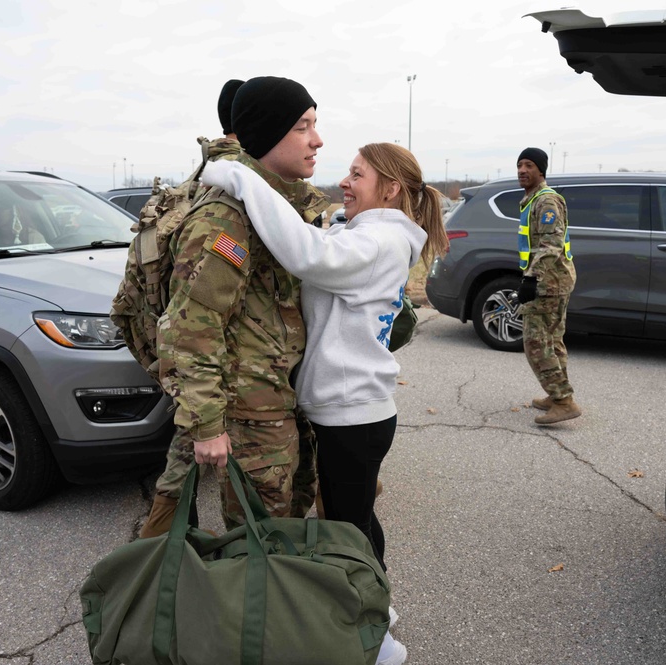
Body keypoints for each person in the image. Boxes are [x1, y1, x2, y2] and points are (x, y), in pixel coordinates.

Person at [202, 141, 449, 665]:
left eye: (357, 175)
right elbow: (326, 241)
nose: (345, 181)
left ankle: (378, 642)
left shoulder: (379, 242)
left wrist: (244, 180)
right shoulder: (374, 235)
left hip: (354, 414)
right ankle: (380, 602)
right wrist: (339, 218)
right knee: (357, 520)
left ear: (390, 188)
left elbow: (307, 254)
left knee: (346, 533)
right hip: (359, 411)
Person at [149, 76, 330, 538]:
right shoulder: (228, 218)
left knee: (290, 515)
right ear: (269, 135)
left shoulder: (279, 206)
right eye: (302, 127)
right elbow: (191, 327)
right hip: (252, 411)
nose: (317, 139)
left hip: (284, 398)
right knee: (260, 536)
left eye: (315, 124)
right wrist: (207, 426)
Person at [140, 78, 247, 538]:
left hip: (194, 360)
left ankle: (162, 556)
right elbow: (195, 321)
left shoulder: (202, 178)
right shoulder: (231, 193)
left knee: (185, 452)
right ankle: (159, 569)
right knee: (201, 449)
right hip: (223, 364)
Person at [513, 147, 582, 425]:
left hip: (548, 282)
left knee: (535, 343)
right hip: (554, 279)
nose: (522, 170)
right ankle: (557, 396)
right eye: (519, 165)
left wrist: (531, 278)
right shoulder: (532, 199)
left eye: (529, 165)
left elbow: (550, 245)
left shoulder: (547, 201)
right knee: (552, 341)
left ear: (541, 170)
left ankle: (564, 401)